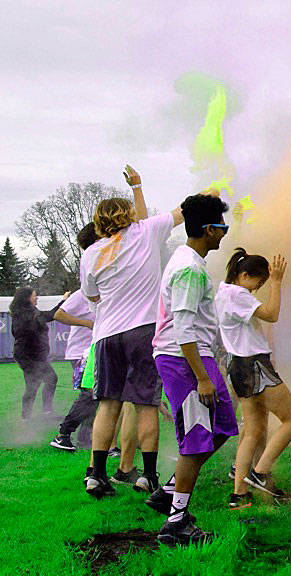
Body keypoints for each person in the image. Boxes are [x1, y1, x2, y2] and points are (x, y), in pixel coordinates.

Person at [81, 165, 184, 498]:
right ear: (128, 216)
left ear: (99, 222)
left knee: (107, 405)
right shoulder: (146, 231)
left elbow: (92, 295)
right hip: (143, 331)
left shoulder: (91, 254)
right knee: (146, 405)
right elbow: (183, 212)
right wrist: (212, 193)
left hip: (107, 334)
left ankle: (96, 475)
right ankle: (148, 476)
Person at [147, 193, 236, 545]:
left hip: (198, 358)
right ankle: (177, 522)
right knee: (197, 439)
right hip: (183, 360)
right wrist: (201, 377)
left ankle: (170, 490)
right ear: (210, 230)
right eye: (223, 226)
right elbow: (182, 329)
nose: (225, 233)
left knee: (224, 425)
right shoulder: (187, 268)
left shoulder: (193, 263)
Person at [217, 249, 291, 508]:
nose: (258, 289)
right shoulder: (237, 294)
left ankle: (239, 493)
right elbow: (272, 314)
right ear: (243, 275)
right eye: (259, 282)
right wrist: (277, 282)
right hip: (253, 364)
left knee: (253, 430)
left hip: (239, 366)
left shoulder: (223, 292)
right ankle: (260, 473)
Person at [50, 223, 103, 451]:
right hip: (81, 352)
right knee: (90, 393)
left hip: (92, 350)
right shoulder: (84, 293)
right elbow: (58, 314)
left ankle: (86, 438)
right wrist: (88, 323)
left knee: (97, 395)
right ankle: (63, 433)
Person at [9, 287, 73, 418]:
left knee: (34, 384)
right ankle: (45, 412)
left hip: (29, 355)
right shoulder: (28, 314)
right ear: (27, 298)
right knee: (48, 379)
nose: (36, 298)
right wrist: (64, 301)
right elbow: (50, 316)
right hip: (30, 356)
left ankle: (27, 416)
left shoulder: (24, 312)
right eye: (34, 296)